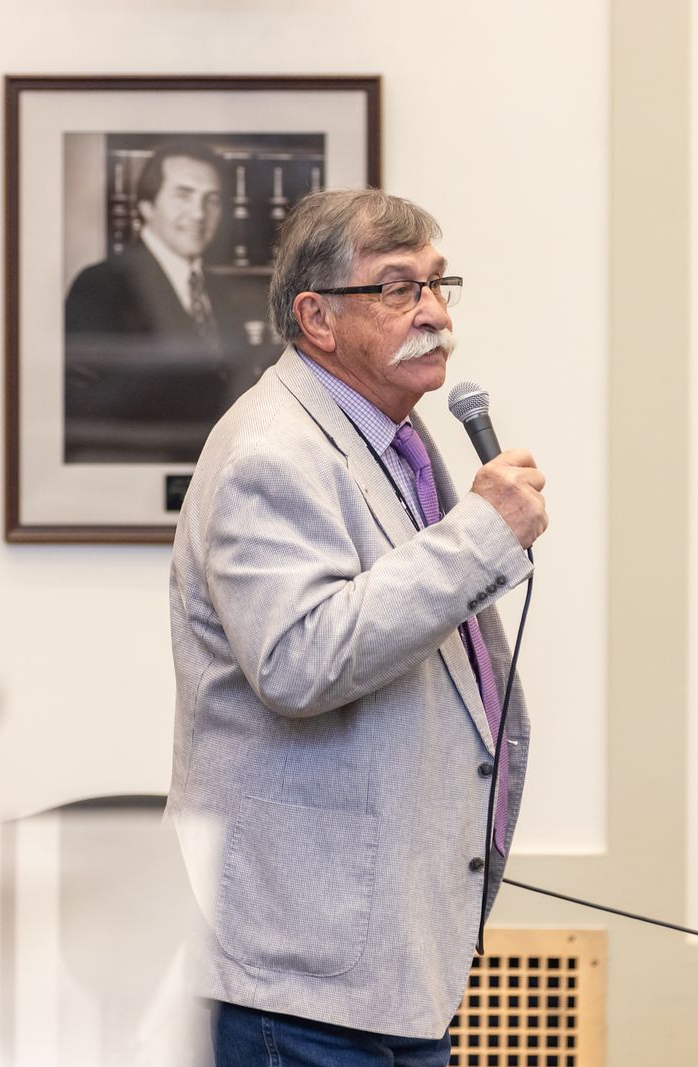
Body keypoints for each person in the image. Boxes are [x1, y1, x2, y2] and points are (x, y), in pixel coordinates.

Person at [166, 188, 548, 1066]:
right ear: (317, 318)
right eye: (398, 288)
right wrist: (481, 535)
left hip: (382, 962)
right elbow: (298, 659)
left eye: (437, 283)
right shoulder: (273, 451)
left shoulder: (389, 437)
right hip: (294, 980)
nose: (436, 313)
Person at [64, 139, 267, 462]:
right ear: (147, 206)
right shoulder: (100, 285)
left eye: (212, 200)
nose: (199, 213)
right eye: (183, 195)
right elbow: (87, 408)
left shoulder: (222, 292)